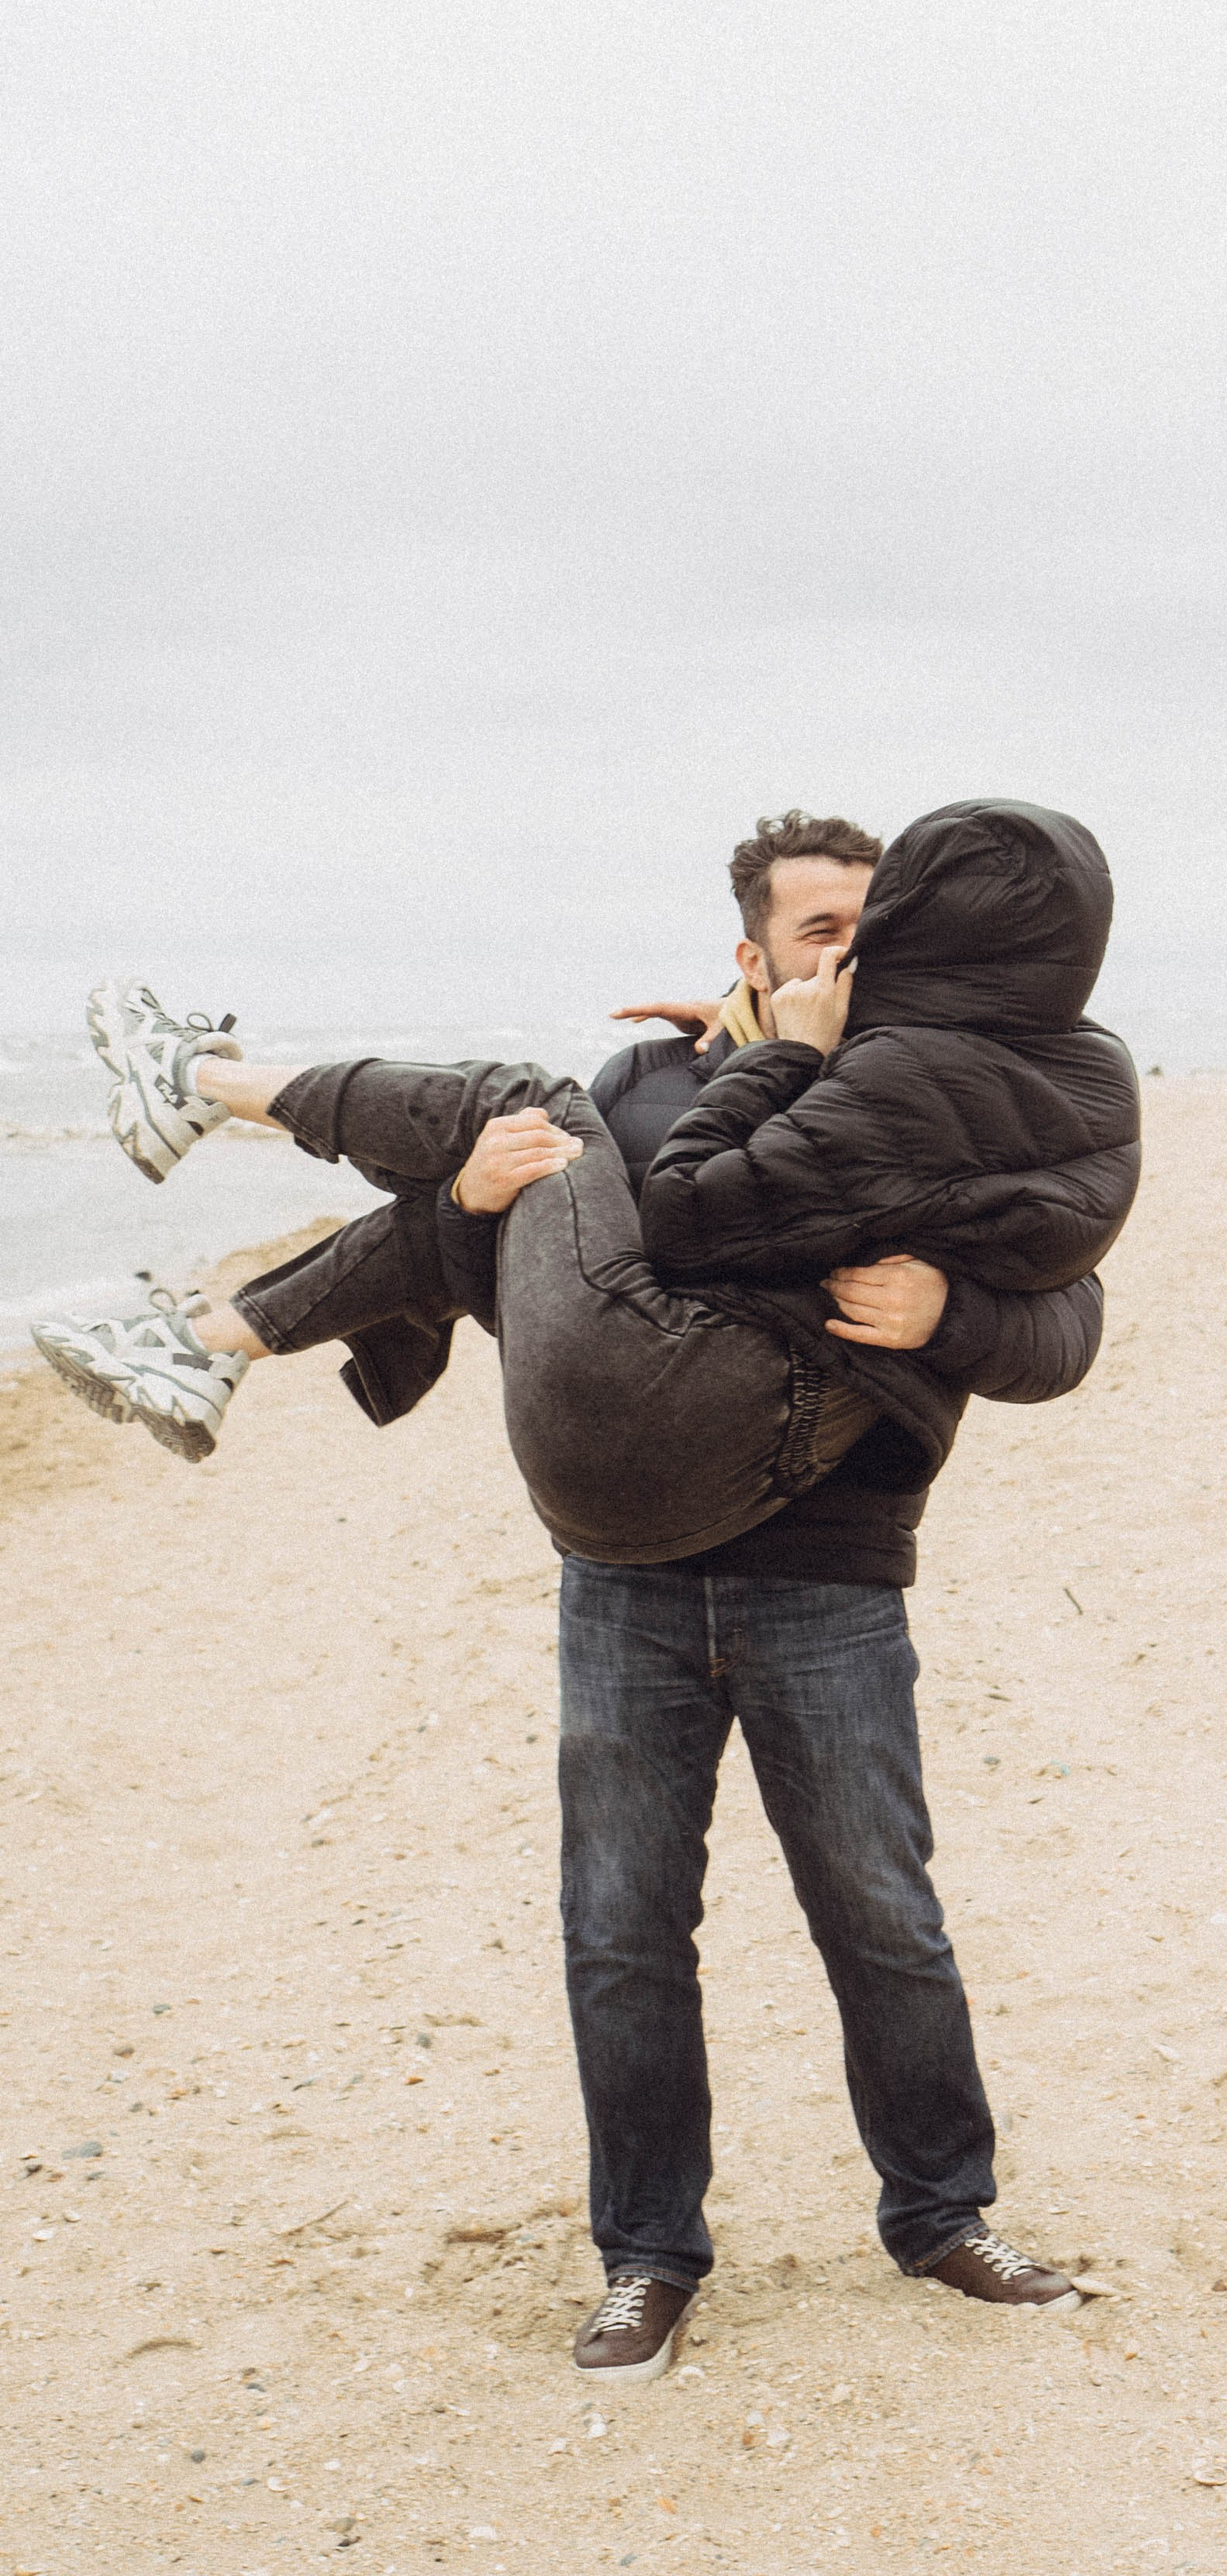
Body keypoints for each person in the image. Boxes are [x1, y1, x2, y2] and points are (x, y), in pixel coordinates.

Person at [36, 800, 1140, 2373]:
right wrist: (475, 1206)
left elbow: (1066, 1320)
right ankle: (647, 2255)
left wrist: (949, 1315)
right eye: (820, 932)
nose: (849, 958)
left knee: (884, 1916)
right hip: (627, 1580)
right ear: (750, 953)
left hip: (829, 1574)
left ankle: (942, 2214)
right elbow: (557, 1291)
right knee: (621, 1927)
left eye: (871, 927)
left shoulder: (955, 1088)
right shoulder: (651, 1087)